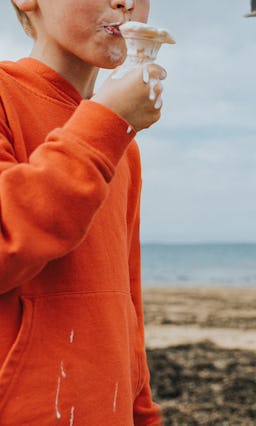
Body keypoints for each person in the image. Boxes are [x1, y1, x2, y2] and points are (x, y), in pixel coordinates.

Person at [0, 0, 167, 424]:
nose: (126, 3)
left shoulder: (120, 145)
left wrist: (142, 413)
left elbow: (127, 302)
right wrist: (105, 124)